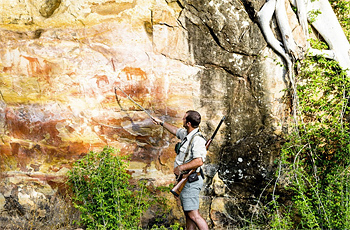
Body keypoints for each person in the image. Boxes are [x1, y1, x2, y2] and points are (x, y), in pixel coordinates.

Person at [152, 110, 209, 230]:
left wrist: (180, 168)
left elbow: (199, 161)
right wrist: (161, 123)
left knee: (194, 216)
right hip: (185, 180)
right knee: (189, 216)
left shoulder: (197, 139)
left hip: (191, 181)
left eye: (184, 119)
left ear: (188, 123)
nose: (182, 120)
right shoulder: (187, 135)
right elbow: (175, 131)